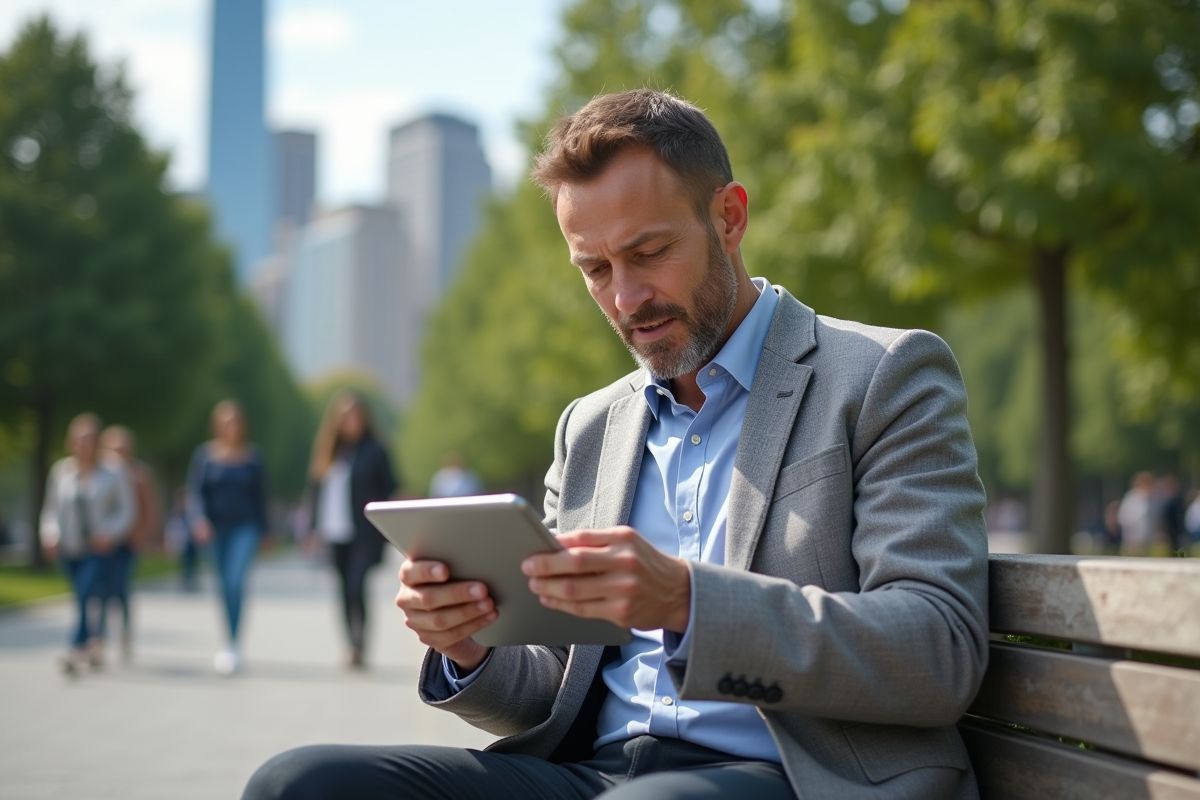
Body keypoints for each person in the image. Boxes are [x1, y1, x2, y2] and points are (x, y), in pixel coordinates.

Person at [245, 89, 988, 800]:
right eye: (595, 270)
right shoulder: (591, 427)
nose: (625, 298)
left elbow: (939, 648)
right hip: (597, 772)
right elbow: (554, 691)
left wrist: (690, 602)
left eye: (649, 251)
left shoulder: (882, 377)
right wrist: (467, 644)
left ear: (729, 218)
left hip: (793, 775)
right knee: (298, 784)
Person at [305, 391, 398, 667]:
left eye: (355, 415)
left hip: (365, 533)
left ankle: (360, 645)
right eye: (345, 416)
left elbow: (391, 487)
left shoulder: (376, 451)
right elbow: (314, 491)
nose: (350, 421)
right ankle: (350, 645)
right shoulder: (328, 452)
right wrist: (311, 529)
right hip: (335, 533)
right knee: (344, 590)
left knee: (357, 586)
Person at [40, 413, 135, 675]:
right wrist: (50, 534)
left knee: (85, 593)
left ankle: (75, 647)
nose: (84, 445)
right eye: (79, 439)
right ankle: (95, 641)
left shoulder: (114, 471)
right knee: (82, 597)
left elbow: (126, 510)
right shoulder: (61, 472)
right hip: (70, 547)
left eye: (89, 439)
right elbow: (51, 510)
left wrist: (109, 532)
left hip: (99, 547)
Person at [186, 399, 268, 675]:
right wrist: (198, 521)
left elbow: (261, 499)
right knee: (222, 586)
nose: (231, 427)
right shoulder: (205, 456)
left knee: (235, 581)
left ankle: (234, 644)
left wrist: (265, 530)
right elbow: (196, 494)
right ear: (217, 426)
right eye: (225, 422)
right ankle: (228, 639)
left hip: (244, 528)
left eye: (235, 422)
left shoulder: (253, 458)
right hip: (215, 530)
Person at [96, 425, 161, 662]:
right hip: (104, 542)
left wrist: (145, 535)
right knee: (100, 589)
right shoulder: (100, 474)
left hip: (128, 542)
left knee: (120, 588)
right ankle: (98, 638)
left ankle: (124, 633)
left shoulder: (138, 474)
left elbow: (149, 508)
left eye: (122, 448)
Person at [1118, 471, 1158, 556]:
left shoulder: (1153, 500)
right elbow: (1124, 518)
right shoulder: (1131, 498)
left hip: (1149, 541)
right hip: (1133, 541)